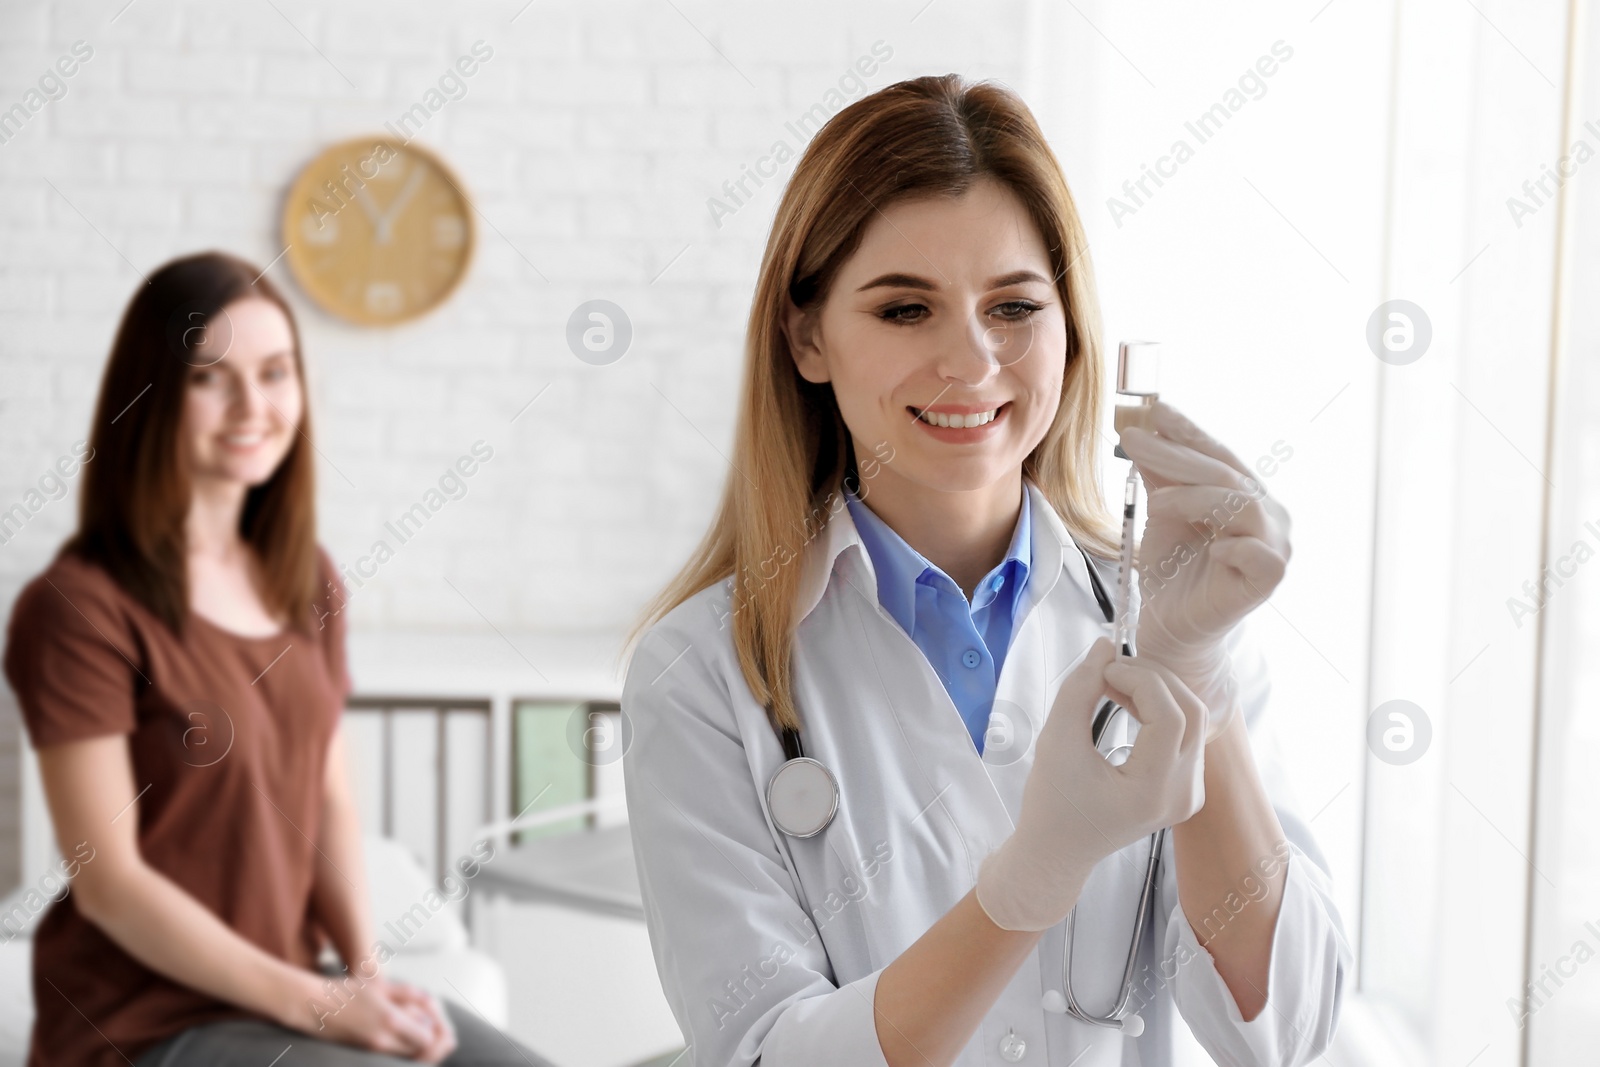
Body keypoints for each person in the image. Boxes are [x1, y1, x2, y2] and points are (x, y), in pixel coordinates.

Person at [621, 75, 1351, 1067]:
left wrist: (1190, 667)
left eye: (1012, 305)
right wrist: (1027, 881)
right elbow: (763, 1050)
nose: (970, 362)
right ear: (806, 337)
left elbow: (1287, 1028)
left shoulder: (1174, 616)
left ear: (1069, 327)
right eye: (905, 309)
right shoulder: (700, 669)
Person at [2, 252, 551, 1066]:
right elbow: (108, 882)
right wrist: (322, 1005)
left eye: (275, 372)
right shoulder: (76, 608)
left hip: (293, 989)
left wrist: (365, 978)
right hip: (144, 1023)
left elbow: (327, 794)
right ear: (149, 393)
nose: (252, 406)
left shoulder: (306, 580)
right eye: (210, 378)